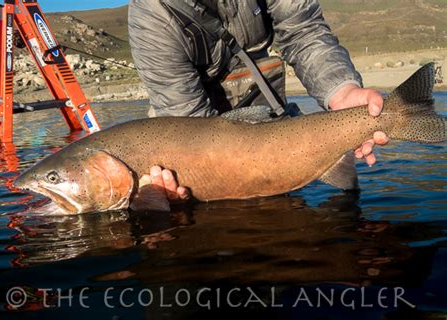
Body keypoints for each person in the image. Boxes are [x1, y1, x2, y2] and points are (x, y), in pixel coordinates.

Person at [127, 0, 389, 202]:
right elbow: (186, 124)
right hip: (194, 121)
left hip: (263, 103)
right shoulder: (151, 16)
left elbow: (304, 32)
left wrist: (341, 91)